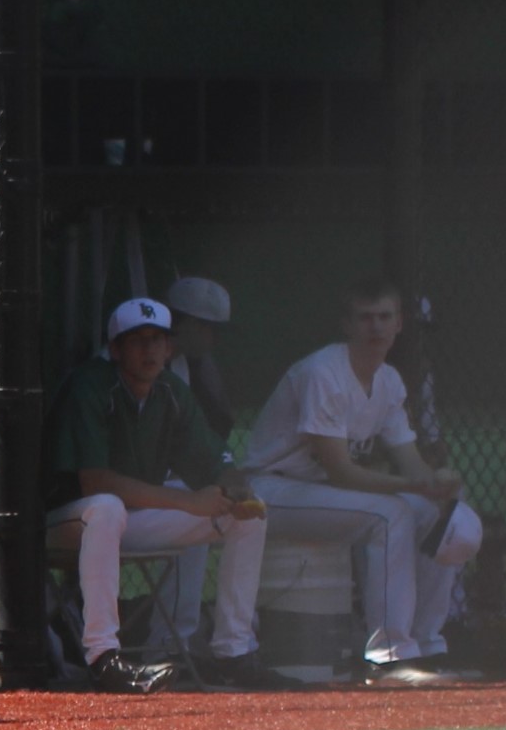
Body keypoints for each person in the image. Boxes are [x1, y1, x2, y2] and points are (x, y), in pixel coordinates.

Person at [242, 278, 481, 686]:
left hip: (318, 493)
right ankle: (388, 658)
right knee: (390, 515)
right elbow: (341, 471)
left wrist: (439, 486)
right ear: (347, 325)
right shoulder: (324, 372)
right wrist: (414, 486)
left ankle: (428, 646)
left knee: (441, 515)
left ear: (399, 323)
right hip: (270, 492)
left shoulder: (388, 381)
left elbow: (411, 463)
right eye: (365, 318)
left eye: (384, 317)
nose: (376, 327)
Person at [47, 295, 283, 692]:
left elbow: (214, 461)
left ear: (170, 348)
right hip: (66, 520)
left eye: (158, 340)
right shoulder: (91, 385)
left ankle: (233, 653)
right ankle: (104, 658)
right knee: (106, 507)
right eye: (138, 340)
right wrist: (189, 501)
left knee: (246, 517)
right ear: (116, 348)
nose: (150, 349)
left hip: (128, 520)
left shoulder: (171, 391)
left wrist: (234, 484)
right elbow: (96, 482)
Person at [163, 274, 238, 441]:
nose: (216, 338)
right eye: (212, 329)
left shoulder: (187, 362)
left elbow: (219, 423)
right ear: (189, 323)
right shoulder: (133, 358)